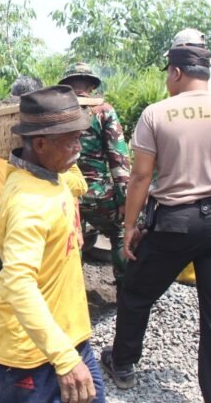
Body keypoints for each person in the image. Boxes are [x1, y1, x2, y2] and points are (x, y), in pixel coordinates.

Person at [101, 41, 211, 403]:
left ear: (175, 73)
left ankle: (123, 363)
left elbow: (140, 178)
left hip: (176, 223)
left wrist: (130, 228)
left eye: (168, 76)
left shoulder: (157, 114)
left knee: (138, 292)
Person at [0, 85, 103, 403]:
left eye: (80, 136)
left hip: (69, 339)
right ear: (40, 143)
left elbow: (76, 181)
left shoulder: (54, 176)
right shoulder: (28, 201)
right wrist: (64, 359)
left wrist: (68, 352)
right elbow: (18, 283)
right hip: (35, 358)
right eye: (72, 140)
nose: (79, 147)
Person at [0, 74, 43, 377]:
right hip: (42, 214)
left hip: (7, 217)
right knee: (37, 281)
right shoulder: (46, 133)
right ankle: (36, 351)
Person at [58, 62, 131, 284]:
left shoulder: (59, 112)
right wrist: (124, 199)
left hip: (66, 194)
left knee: (71, 240)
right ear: (91, 85)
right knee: (119, 233)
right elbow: (118, 159)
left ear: (68, 86)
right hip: (100, 194)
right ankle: (125, 288)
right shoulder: (103, 111)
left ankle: (72, 291)